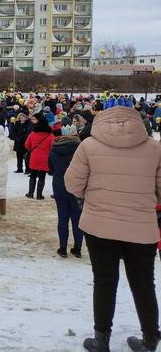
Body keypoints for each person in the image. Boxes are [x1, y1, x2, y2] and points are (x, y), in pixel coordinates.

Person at [65, 105, 161, 352]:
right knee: (144, 284)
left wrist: (93, 195)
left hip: (99, 224)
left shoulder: (88, 146)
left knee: (105, 281)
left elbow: (72, 183)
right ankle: (150, 339)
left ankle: (101, 339)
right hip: (141, 227)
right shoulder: (154, 148)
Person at [48, 124, 83, 258]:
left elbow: (50, 168)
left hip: (59, 185)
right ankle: (77, 248)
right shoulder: (81, 149)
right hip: (77, 186)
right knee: (77, 218)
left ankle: (62, 248)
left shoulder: (55, 149)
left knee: (62, 217)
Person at [24, 112, 53, 199]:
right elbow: (53, 147)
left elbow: (26, 145)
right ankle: (39, 195)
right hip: (45, 158)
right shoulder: (50, 136)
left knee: (33, 175)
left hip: (34, 157)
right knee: (42, 176)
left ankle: (30, 193)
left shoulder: (33, 134)